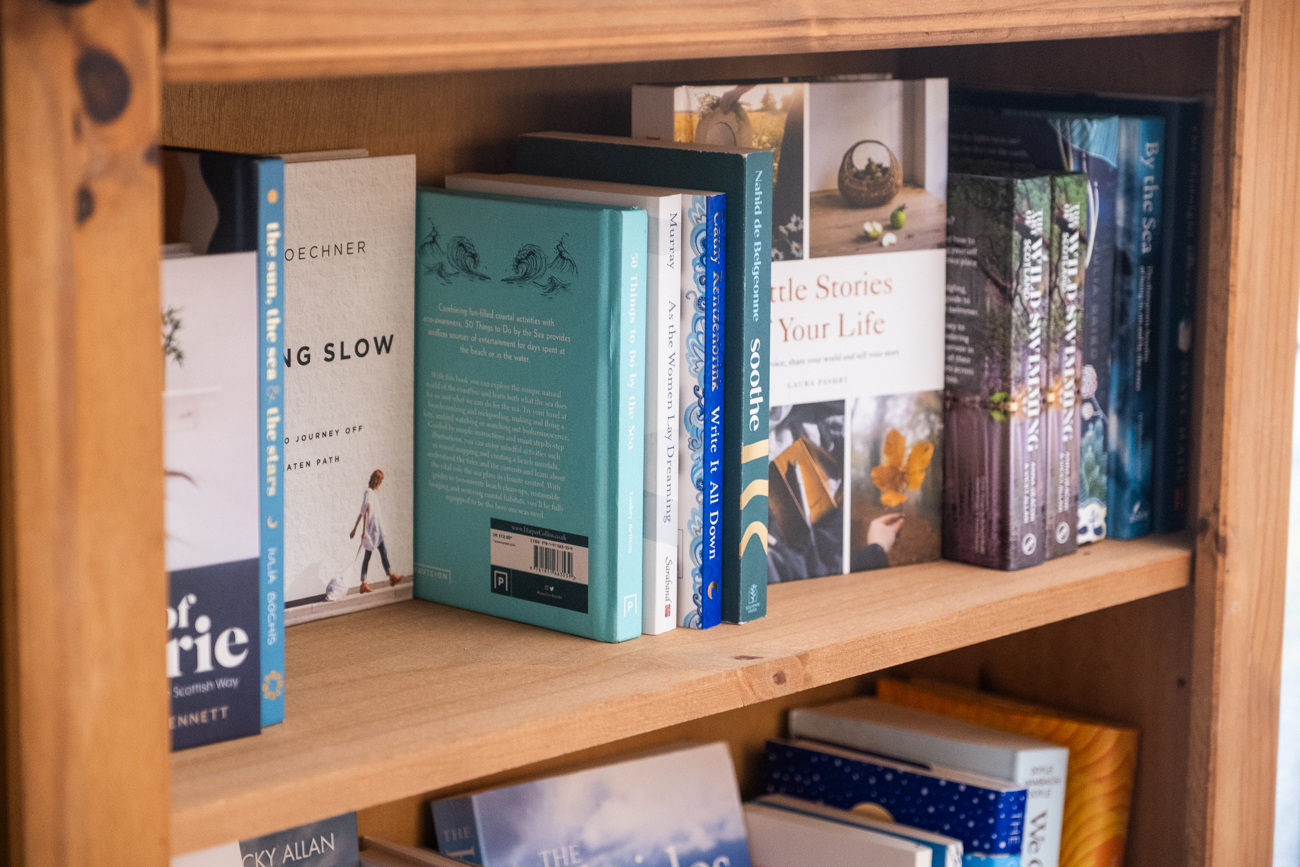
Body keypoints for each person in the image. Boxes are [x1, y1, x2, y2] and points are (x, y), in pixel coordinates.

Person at [349, 469, 403, 593]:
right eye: (380, 480)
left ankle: (389, 577)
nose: (381, 482)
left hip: (375, 531)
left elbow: (361, 512)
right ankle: (366, 582)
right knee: (370, 556)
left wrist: (354, 529)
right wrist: (362, 531)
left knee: (380, 552)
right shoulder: (368, 492)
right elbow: (366, 511)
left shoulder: (371, 493)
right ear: (376, 480)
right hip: (371, 532)